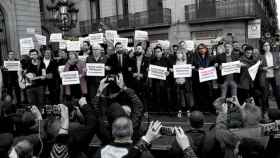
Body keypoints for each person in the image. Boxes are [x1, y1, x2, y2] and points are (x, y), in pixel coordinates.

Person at [93, 73, 144, 143]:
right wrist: (124, 87)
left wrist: (99, 91)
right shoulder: (133, 127)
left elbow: (94, 114)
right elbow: (138, 105)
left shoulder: (106, 133)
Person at [170, 48, 194, 117]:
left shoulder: (187, 61)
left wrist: (191, 68)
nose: (178, 55)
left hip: (185, 82)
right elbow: (173, 70)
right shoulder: (175, 62)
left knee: (187, 97)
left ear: (182, 54)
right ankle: (179, 111)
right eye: (177, 53)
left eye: (179, 53)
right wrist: (172, 70)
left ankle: (188, 110)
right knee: (178, 97)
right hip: (177, 81)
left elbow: (190, 70)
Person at [192, 44, 215, 113]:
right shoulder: (195, 58)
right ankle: (200, 109)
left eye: (203, 48)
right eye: (200, 48)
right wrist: (198, 69)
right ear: (198, 50)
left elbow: (212, 67)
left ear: (206, 49)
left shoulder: (210, 57)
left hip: (207, 80)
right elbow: (192, 68)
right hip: (198, 80)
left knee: (207, 94)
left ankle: (207, 109)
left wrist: (214, 65)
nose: (201, 49)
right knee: (199, 95)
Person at [259, 41, 280, 111]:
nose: (267, 46)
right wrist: (262, 68)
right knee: (265, 95)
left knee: (278, 94)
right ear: (263, 47)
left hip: (275, 77)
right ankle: (265, 112)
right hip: (265, 77)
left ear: (270, 46)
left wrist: (278, 66)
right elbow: (257, 67)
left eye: (268, 45)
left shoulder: (275, 54)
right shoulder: (260, 56)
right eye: (265, 45)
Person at [128, 44, 149, 111]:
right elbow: (129, 70)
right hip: (134, 81)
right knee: (135, 96)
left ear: (142, 50)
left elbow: (148, 70)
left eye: (139, 49)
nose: (138, 50)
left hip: (143, 81)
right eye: (136, 49)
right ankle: (135, 109)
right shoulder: (132, 59)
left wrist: (143, 75)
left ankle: (145, 110)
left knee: (143, 96)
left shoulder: (146, 59)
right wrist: (132, 74)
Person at [149, 46, 170, 112]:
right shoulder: (152, 60)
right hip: (155, 82)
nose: (157, 53)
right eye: (155, 52)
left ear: (162, 52)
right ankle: (158, 110)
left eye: (158, 52)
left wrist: (168, 72)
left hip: (165, 82)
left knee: (165, 95)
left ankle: (166, 109)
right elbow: (150, 70)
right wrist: (149, 70)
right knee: (156, 95)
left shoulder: (166, 59)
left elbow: (170, 69)